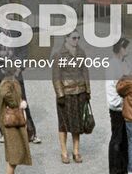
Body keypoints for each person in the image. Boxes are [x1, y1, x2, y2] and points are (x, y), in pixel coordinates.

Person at [53, 30, 91, 164]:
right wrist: (60, 94)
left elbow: (85, 72)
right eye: (74, 38)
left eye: (78, 38)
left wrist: (88, 90)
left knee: (77, 124)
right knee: (63, 124)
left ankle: (76, 151)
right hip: (66, 93)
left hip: (79, 92)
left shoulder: (81, 52)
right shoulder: (59, 54)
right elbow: (56, 76)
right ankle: (64, 152)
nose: (76, 40)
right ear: (66, 38)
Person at [0, 61, 33, 174]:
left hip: (14, 122)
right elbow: (6, 95)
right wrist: (19, 104)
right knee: (13, 157)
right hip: (11, 124)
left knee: (15, 156)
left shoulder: (12, 81)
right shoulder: (7, 83)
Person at [107, 38, 131, 174]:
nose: (127, 50)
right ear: (120, 49)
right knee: (117, 139)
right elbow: (115, 88)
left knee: (125, 140)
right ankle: (115, 170)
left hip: (125, 106)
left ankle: (124, 168)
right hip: (117, 107)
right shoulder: (113, 65)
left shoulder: (124, 63)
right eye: (125, 48)